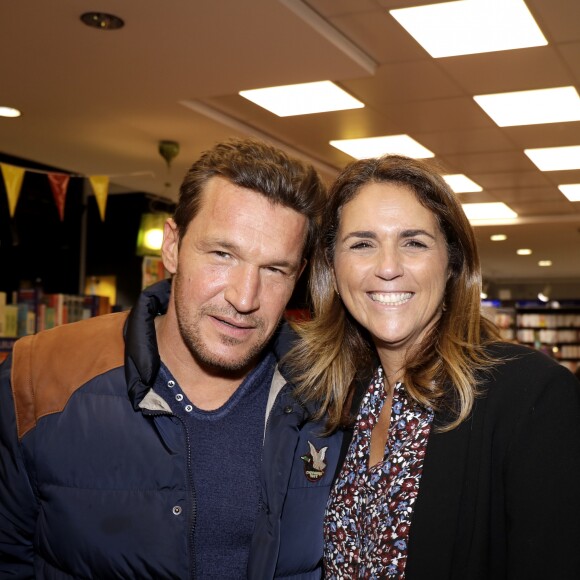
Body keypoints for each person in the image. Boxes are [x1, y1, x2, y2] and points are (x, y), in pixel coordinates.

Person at [0, 137, 347, 579]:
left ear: (297, 275)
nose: (244, 298)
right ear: (172, 247)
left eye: (274, 270)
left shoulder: (330, 396)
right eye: (222, 254)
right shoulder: (40, 377)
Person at [287, 154, 580, 579]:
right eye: (362, 243)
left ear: (452, 263)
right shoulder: (339, 394)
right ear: (332, 266)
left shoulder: (530, 396)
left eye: (414, 242)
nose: (388, 267)